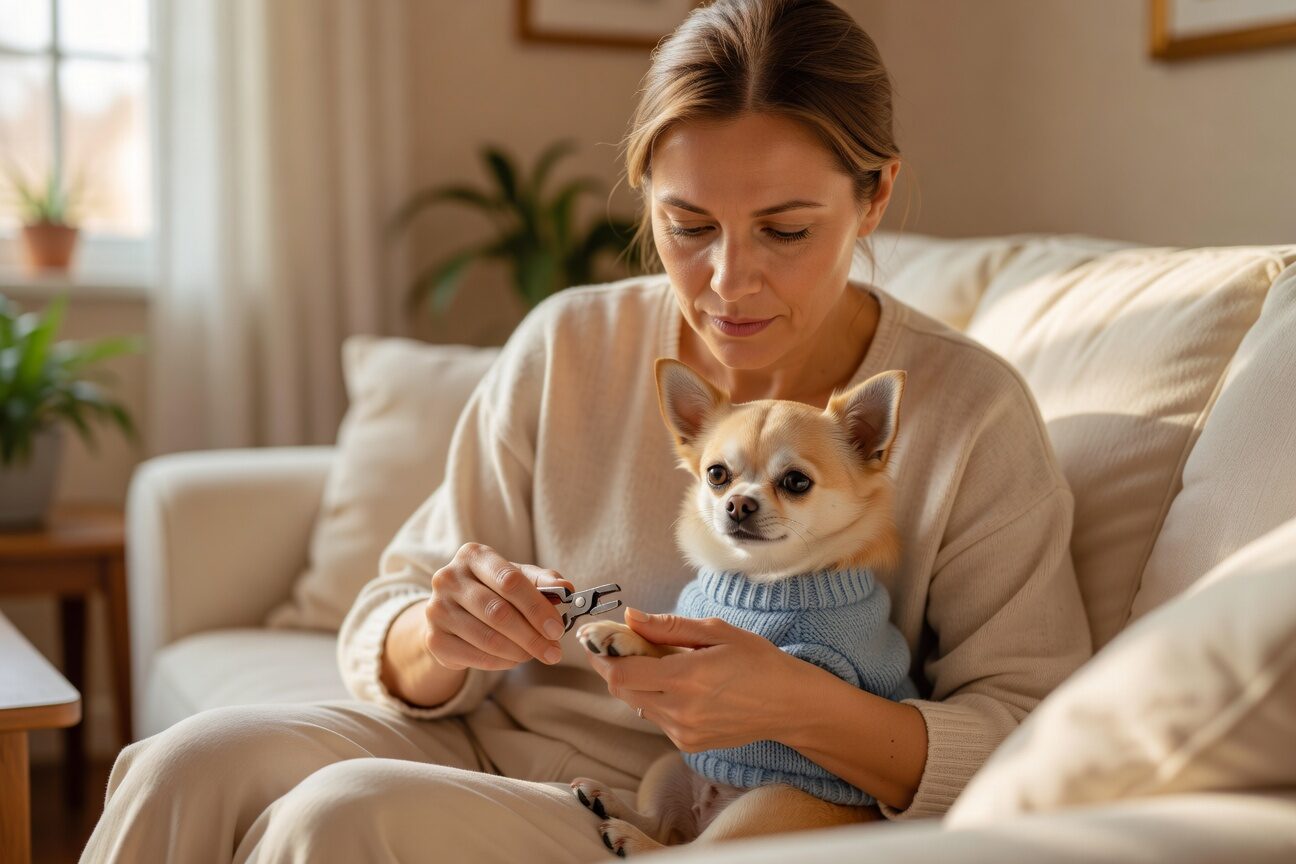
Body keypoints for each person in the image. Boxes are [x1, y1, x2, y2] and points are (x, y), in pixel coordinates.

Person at [81, 1, 1092, 861]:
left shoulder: (966, 413)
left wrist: (790, 706)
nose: (728, 281)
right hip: (475, 740)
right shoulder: (570, 343)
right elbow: (394, 606)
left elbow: (1040, 732)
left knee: (339, 819)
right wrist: (440, 633)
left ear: (873, 198)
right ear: (645, 195)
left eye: (785, 230)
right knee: (181, 762)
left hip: (674, 811)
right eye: (687, 226)